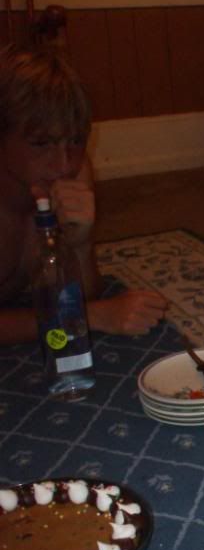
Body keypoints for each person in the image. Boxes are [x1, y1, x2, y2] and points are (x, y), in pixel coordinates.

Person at [0, 43, 168, 346]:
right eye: (41, 144)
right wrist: (92, 317)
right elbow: (90, 307)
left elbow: (85, 292)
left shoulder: (75, 171)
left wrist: (80, 243)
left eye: (75, 142)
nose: (63, 164)